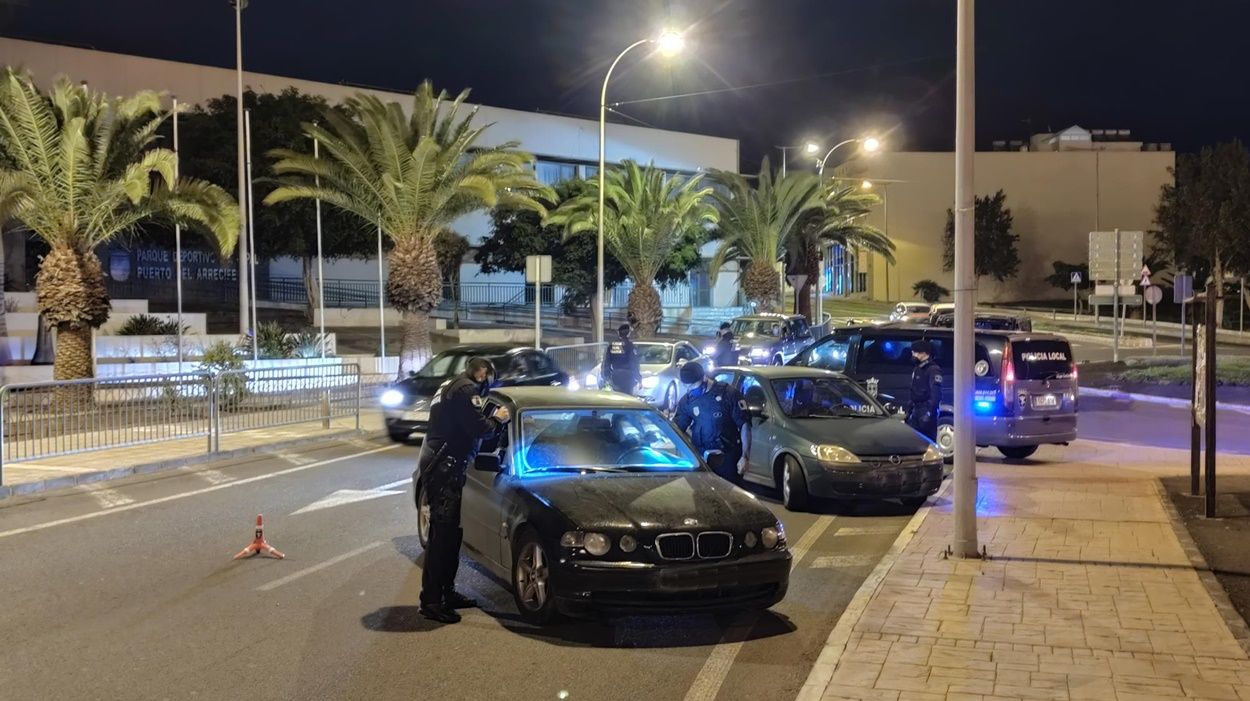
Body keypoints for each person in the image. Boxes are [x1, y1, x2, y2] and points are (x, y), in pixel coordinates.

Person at [417, 356, 510, 625]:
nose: (487, 385)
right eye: (489, 379)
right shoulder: (465, 390)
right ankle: (432, 601)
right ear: (482, 373)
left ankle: (446, 592)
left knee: (450, 533)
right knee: (442, 536)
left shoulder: (452, 385)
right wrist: (499, 419)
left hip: (442, 464)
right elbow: (480, 428)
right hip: (444, 467)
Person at [673, 363, 750, 484]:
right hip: (701, 459)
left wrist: (745, 457)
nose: (690, 390)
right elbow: (677, 428)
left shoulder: (728, 394)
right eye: (686, 387)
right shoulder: (687, 401)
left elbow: (744, 425)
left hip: (727, 458)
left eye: (693, 385)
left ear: (704, 378)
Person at [905, 339, 942, 441]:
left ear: (924, 353)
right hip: (916, 410)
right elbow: (914, 391)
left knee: (927, 441)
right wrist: (909, 411)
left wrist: (929, 413)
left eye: (915, 352)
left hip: (926, 410)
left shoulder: (933, 369)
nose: (913, 355)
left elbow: (936, 394)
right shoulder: (918, 368)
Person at [602, 323, 641, 394]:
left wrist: (607, 376)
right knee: (627, 398)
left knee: (617, 396)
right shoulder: (630, 346)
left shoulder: (613, 346)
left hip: (616, 375)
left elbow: (607, 362)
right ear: (628, 333)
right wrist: (638, 378)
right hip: (628, 376)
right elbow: (633, 363)